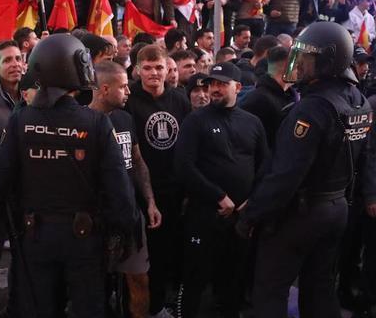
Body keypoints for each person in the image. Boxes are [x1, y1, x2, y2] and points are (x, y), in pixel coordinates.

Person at [0, 34, 136, 316]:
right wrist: (124, 234)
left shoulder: (20, 120)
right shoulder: (96, 122)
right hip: (85, 240)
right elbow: (118, 190)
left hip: (34, 238)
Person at [237, 21, 373, 317]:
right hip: (337, 208)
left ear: (327, 62)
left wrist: (252, 215)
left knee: (270, 291)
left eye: (308, 59)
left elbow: (286, 174)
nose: (300, 66)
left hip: (300, 212)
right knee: (320, 288)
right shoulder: (359, 101)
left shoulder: (312, 107)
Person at [174, 62, 269, 318]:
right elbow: (183, 167)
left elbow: (265, 166)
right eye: (212, 83)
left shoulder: (253, 123)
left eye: (221, 84)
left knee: (233, 280)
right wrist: (219, 196)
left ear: (237, 87)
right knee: (194, 278)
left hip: (240, 219)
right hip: (204, 216)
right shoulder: (196, 120)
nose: (214, 89)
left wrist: (251, 201)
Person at [123, 44, 191, 318]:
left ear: (168, 69)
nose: (154, 73)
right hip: (139, 191)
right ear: (138, 70)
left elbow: (188, 144)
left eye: (159, 67)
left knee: (168, 251)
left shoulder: (180, 100)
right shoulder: (129, 100)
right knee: (141, 256)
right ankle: (141, 307)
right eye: (148, 68)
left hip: (174, 189)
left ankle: (161, 303)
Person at [89, 61, 161, 318]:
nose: (129, 92)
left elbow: (138, 161)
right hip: (95, 221)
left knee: (139, 280)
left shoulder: (125, 118)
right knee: (93, 287)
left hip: (131, 216)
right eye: (123, 87)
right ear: (104, 89)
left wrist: (150, 201)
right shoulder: (81, 123)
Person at [239, 46, 294, 153]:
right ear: (287, 67)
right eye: (296, 65)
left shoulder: (288, 96)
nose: (300, 69)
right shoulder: (259, 100)